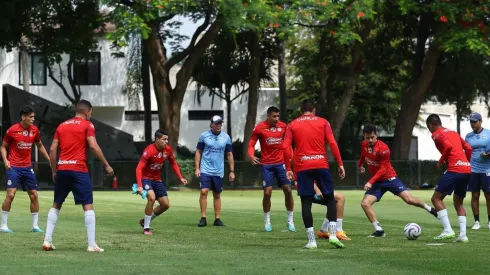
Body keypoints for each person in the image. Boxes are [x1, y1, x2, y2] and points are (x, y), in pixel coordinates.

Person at [42, 100, 114, 252]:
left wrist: (54, 170)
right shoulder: (88, 125)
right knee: (87, 205)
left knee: (56, 204)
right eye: (91, 113)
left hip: (62, 169)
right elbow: (93, 146)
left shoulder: (61, 126)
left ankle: (47, 241)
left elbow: (53, 150)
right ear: (87, 112)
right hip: (79, 170)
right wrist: (106, 165)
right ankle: (92, 244)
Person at [283, 99, 345, 249]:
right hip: (321, 164)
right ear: (314, 110)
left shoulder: (293, 124)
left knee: (306, 202)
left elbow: (285, 147)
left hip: (303, 167)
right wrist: (340, 163)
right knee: (330, 198)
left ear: (300, 111)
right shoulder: (323, 122)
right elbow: (332, 143)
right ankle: (331, 235)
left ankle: (311, 241)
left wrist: (288, 168)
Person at [358, 124, 438, 237]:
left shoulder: (383, 149)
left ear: (377, 135)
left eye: (372, 137)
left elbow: (383, 169)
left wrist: (370, 181)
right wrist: (360, 164)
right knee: (365, 204)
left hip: (389, 179)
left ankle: (430, 209)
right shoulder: (364, 145)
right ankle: (379, 230)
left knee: (409, 200)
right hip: (377, 182)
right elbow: (364, 154)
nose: (370, 140)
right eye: (367, 138)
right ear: (364, 137)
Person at [0, 106, 50, 233]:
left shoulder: (35, 130)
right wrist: (6, 160)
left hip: (27, 167)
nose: (33, 119)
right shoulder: (12, 130)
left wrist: (49, 159)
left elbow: (39, 145)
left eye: (34, 116)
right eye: (31, 117)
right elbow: (3, 147)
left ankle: (35, 226)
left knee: (34, 195)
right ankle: (3, 226)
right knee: (10, 194)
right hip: (14, 167)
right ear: (23, 117)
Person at [248, 106, 295, 232]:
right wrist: (251, 155)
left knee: (288, 190)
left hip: (281, 164)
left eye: (278, 116)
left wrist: (291, 156)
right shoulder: (259, 128)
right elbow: (251, 144)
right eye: (274, 116)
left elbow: (289, 143)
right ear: (268, 116)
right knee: (267, 192)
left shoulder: (284, 126)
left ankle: (290, 220)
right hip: (266, 165)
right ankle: (267, 221)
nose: (276, 119)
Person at [426, 114, 472, 242]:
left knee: (436, 198)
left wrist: (441, 161)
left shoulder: (436, 134)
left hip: (454, 170)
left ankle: (448, 230)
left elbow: (448, 147)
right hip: (467, 169)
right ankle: (463, 235)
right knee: (458, 202)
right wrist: (466, 162)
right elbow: (468, 148)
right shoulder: (453, 132)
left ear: (430, 125)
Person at [136, 129, 188, 235]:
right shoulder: (149, 150)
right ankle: (146, 228)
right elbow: (139, 168)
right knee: (151, 198)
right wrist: (140, 186)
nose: (166, 142)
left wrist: (180, 177)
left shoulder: (167, 150)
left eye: (167, 139)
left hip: (157, 180)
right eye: (164, 139)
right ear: (157, 139)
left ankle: (144, 221)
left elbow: (173, 163)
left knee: (165, 205)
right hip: (146, 179)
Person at [195, 115, 235, 227]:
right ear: (211, 124)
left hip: (218, 171)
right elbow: (198, 151)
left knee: (217, 194)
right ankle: (203, 218)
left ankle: (217, 219)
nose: (219, 125)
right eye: (216, 123)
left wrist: (232, 171)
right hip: (205, 169)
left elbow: (229, 154)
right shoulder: (204, 136)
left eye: (220, 123)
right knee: (204, 192)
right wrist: (197, 168)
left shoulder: (226, 137)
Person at [465, 112, 490, 230]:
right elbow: (466, 152)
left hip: (487, 169)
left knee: (488, 196)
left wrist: (487, 154)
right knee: (474, 195)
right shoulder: (468, 136)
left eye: (474, 121)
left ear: (480, 121)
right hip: (473, 170)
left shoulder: (488, 134)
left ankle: (489, 221)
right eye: (471, 121)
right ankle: (476, 222)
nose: (472, 124)